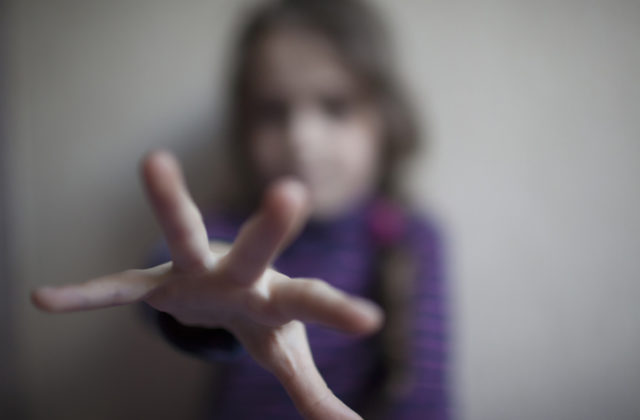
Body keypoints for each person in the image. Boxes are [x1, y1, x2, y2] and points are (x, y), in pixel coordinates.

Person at [31, 0, 451, 419]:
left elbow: (427, 400)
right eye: (272, 111)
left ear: (386, 117)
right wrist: (197, 292)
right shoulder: (235, 230)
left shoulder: (414, 239)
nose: (301, 138)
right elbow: (178, 270)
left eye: (334, 106)